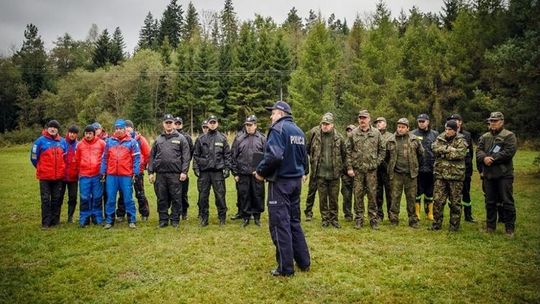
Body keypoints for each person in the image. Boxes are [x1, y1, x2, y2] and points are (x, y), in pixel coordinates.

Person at [255, 100, 310, 277]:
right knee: (294, 221)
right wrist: (301, 171)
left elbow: (275, 155)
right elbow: (304, 157)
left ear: (280, 113)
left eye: (272, 113)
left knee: (280, 224)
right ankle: (304, 261)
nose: (271, 116)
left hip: (280, 183)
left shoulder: (278, 129)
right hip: (295, 182)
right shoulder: (299, 131)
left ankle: (285, 267)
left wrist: (260, 172)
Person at [476, 112, 517, 237]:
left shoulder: (509, 135)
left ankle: (509, 229)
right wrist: (484, 158)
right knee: (490, 202)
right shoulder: (485, 136)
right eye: (491, 121)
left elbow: (509, 152)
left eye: (495, 121)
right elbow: (478, 150)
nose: (492, 123)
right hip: (489, 175)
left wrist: (492, 159)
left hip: (504, 175)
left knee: (507, 201)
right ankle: (490, 227)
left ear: (502, 122)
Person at [148, 114, 190, 228]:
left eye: (170, 122)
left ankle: (175, 220)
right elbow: (151, 156)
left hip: (175, 174)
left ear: (173, 124)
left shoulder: (181, 138)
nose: (168, 124)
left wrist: (184, 172)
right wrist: (150, 172)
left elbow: (186, 157)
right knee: (162, 198)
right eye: (166, 122)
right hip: (161, 174)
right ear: (163, 124)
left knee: (176, 198)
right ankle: (163, 220)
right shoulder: (158, 139)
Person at [306, 113, 347, 228]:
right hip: (320, 173)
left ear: (332, 125)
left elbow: (345, 155)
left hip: (334, 174)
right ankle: (325, 219)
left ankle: (334, 219)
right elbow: (308, 150)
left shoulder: (339, 138)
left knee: (334, 198)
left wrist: (342, 169)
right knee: (323, 198)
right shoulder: (315, 136)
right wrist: (314, 162)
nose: (325, 126)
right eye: (323, 124)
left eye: (327, 124)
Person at [346, 110, 385, 230]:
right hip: (357, 171)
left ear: (369, 119)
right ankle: (359, 219)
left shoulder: (376, 133)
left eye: (364, 118)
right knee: (358, 195)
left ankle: (373, 219)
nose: (362, 120)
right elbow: (347, 151)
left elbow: (382, 150)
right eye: (360, 118)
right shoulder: (353, 133)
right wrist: (350, 167)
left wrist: (376, 163)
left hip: (371, 171)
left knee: (372, 195)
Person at [100, 119, 141, 229]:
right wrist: (102, 171)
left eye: (120, 128)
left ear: (124, 129)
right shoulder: (109, 141)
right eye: (116, 128)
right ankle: (109, 221)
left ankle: (131, 220)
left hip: (126, 175)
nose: (118, 130)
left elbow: (137, 158)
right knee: (111, 199)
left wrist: (135, 172)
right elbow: (104, 158)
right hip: (112, 175)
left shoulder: (132, 142)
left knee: (128, 198)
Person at [193, 115, 231, 226]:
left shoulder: (222, 138)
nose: (213, 124)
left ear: (217, 123)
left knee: (220, 196)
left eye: (214, 122)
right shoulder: (201, 139)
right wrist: (195, 168)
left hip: (217, 172)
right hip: (204, 172)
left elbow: (227, 155)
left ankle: (222, 218)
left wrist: (227, 168)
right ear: (208, 124)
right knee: (203, 197)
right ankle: (204, 218)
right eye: (211, 122)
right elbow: (196, 155)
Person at [429, 120, 467, 232]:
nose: (447, 131)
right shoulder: (440, 137)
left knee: (455, 202)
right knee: (437, 201)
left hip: (455, 176)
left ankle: (454, 226)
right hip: (440, 175)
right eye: (446, 129)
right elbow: (434, 148)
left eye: (450, 129)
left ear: (455, 130)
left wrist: (443, 152)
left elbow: (460, 154)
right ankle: (436, 224)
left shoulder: (461, 140)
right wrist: (449, 149)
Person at [387, 118, 424, 228]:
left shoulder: (414, 140)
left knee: (411, 198)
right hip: (396, 174)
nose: (400, 129)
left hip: (411, 174)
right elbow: (386, 157)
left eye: (403, 127)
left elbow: (421, 154)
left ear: (408, 128)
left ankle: (413, 220)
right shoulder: (390, 140)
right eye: (399, 127)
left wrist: (415, 167)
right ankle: (394, 219)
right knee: (395, 197)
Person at [30, 120, 68, 229]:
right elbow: (33, 158)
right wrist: (40, 168)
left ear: (58, 129)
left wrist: (62, 168)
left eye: (55, 127)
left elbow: (65, 158)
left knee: (57, 199)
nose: (53, 129)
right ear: (47, 128)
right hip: (45, 177)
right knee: (46, 199)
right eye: (51, 127)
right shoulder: (39, 141)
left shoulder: (63, 142)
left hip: (58, 177)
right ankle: (46, 222)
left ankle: (55, 221)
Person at [231, 115, 266, 227]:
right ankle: (246, 217)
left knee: (258, 195)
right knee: (244, 195)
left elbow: (267, 156)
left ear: (255, 125)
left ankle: (257, 217)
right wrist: (235, 173)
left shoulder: (262, 138)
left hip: (257, 174)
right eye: (246, 125)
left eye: (250, 125)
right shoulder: (239, 138)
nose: (248, 127)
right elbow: (233, 156)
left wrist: (264, 172)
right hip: (243, 173)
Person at [116, 119, 151, 222]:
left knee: (139, 193)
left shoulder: (140, 139)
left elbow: (148, 154)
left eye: (128, 127)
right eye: (124, 127)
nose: (126, 129)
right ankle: (121, 214)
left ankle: (144, 213)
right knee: (123, 193)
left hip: (138, 171)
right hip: (124, 171)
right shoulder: (120, 140)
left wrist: (143, 166)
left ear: (132, 128)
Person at [447, 114, 476, 222]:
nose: (454, 122)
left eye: (455, 120)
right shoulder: (447, 134)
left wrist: (469, 168)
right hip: (451, 169)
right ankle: (453, 214)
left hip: (465, 169)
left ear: (460, 122)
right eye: (451, 120)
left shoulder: (467, 135)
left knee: (466, 192)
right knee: (452, 194)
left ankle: (468, 215)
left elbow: (470, 153)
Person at [75, 125, 106, 227]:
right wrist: (81, 171)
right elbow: (77, 159)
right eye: (86, 133)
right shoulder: (79, 145)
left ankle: (97, 218)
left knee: (97, 197)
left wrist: (103, 172)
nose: (88, 135)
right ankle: (84, 219)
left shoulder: (102, 143)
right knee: (84, 197)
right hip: (84, 175)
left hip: (97, 175)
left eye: (90, 133)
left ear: (94, 134)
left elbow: (105, 158)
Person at [412, 114, 439, 220]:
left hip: (431, 167)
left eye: (423, 121)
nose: (421, 123)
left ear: (428, 122)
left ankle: (429, 213)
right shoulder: (413, 134)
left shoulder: (435, 134)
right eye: (419, 121)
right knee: (417, 192)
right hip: (418, 167)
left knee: (430, 192)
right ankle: (417, 213)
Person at [374, 117, 393, 222]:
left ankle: (391, 215)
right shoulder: (373, 135)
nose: (378, 124)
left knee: (390, 193)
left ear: (385, 124)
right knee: (377, 193)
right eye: (376, 123)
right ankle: (379, 215)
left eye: (380, 122)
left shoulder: (391, 136)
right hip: (376, 168)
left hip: (388, 168)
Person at [174, 116, 194, 220]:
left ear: (182, 124)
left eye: (179, 123)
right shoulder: (170, 136)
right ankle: (175, 211)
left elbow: (190, 153)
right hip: (172, 169)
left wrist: (185, 167)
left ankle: (184, 211)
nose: (177, 125)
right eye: (175, 123)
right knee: (173, 192)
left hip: (183, 168)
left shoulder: (187, 137)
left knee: (183, 192)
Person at [61, 125, 79, 223]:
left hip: (73, 177)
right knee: (59, 197)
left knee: (73, 197)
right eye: (71, 132)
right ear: (68, 132)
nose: (72, 135)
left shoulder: (78, 145)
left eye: (74, 133)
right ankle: (56, 217)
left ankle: (70, 216)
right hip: (62, 176)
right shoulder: (61, 143)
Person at [303, 125, 320, 221]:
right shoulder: (313, 131)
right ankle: (308, 211)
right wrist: (313, 158)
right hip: (315, 167)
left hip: (325, 169)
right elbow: (307, 148)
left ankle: (327, 214)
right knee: (311, 191)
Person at [341, 124, 356, 221]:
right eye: (348, 130)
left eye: (352, 130)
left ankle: (358, 213)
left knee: (358, 195)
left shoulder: (358, 142)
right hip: (345, 173)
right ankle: (348, 214)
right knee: (346, 195)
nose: (350, 132)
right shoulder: (343, 143)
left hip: (357, 173)